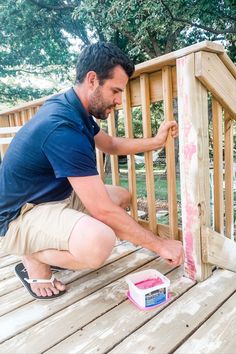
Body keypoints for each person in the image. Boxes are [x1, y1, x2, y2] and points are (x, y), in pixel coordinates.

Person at [0, 42, 184, 300]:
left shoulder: (75, 109)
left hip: (50, 199)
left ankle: (52, 245)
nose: (119, 100)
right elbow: (101, 210)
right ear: (92, 79)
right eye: (115, 91)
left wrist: (155, 141)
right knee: (100, 243)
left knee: (120, 195)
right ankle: (32, 256)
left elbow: (111, 144)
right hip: (17, 217)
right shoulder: (62, 127)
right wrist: (159, 244)